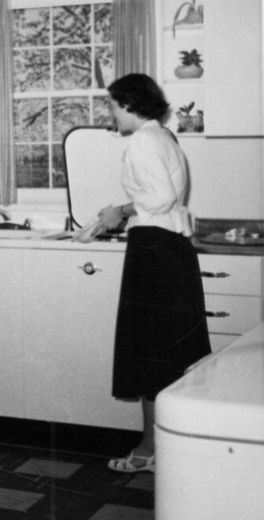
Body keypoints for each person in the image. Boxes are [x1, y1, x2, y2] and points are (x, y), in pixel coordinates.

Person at [94, 73, 211, 473]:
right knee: (173, 354)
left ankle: (148, 451)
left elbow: (158, 198)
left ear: (129, 104)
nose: (110, 113)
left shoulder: (143, 139)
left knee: (149, 352)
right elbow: (166, 195)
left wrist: (120, 211)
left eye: (112, 105)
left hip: (154, 250)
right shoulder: (165, 137)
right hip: (174, 249)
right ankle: (169, 446)